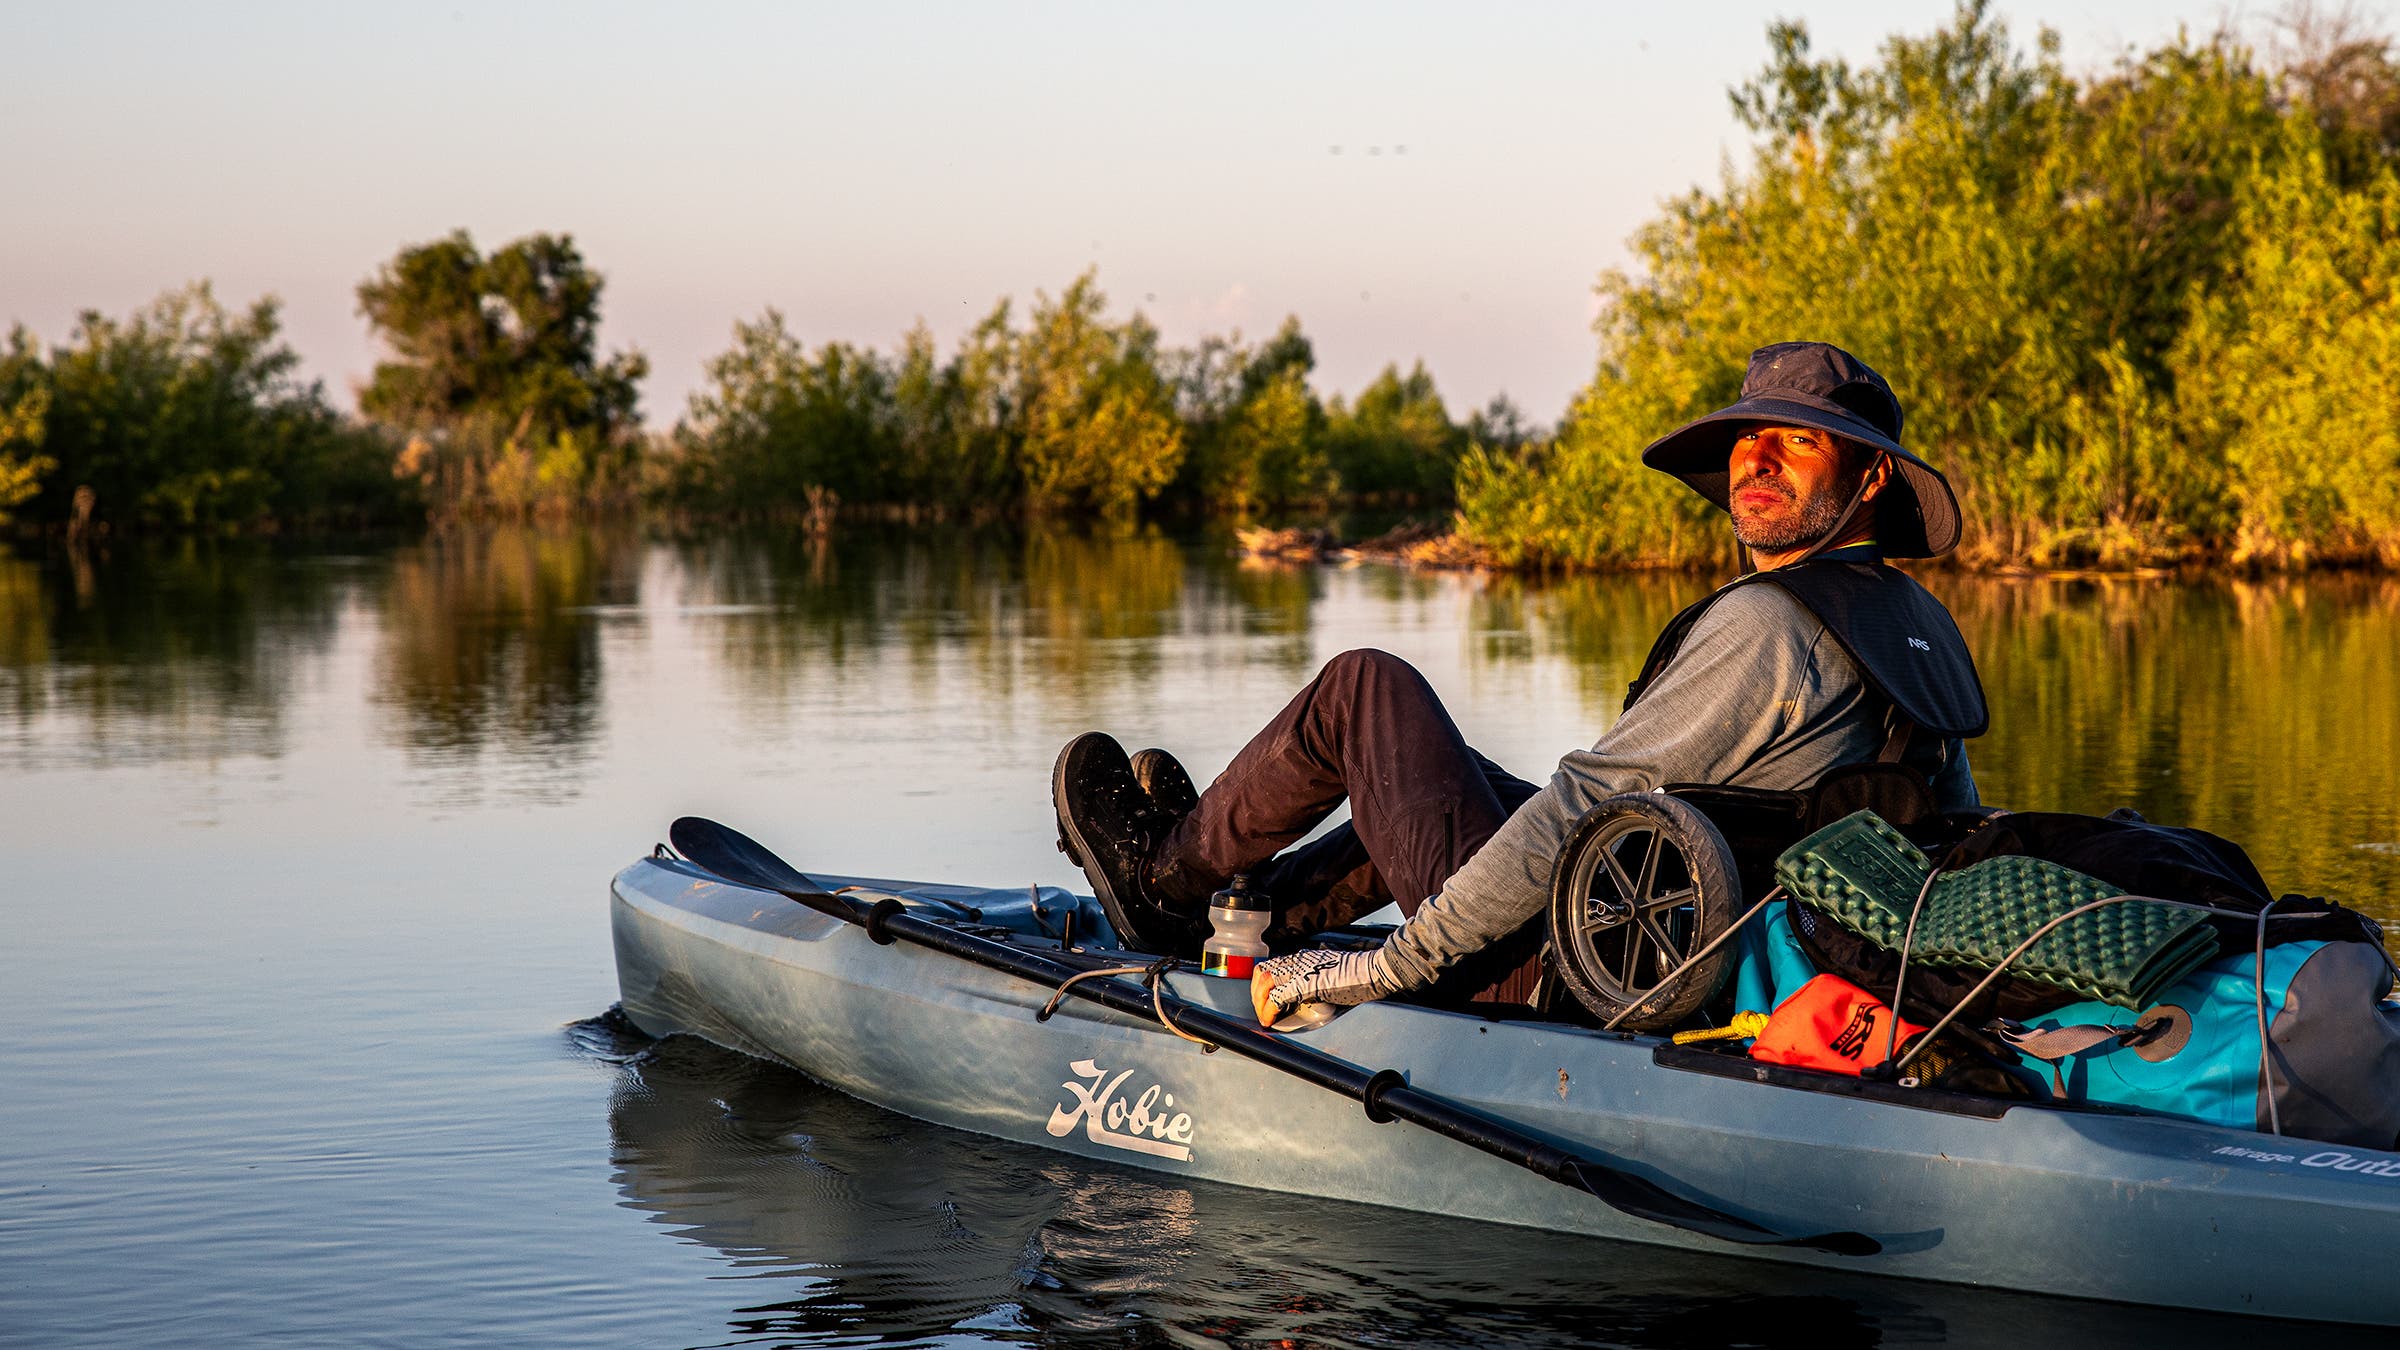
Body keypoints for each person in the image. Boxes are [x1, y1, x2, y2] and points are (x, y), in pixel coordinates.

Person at [1052, 341, 1986, 1028]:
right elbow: (1945, 839)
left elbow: (1587, 799)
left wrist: (1390, 971)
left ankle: (1162, 877)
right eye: (1749, 437)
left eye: (1799, 442)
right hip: (1686, 945)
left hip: (1579, 968)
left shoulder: (1769, 624)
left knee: (1367, 693)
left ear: (1869, 479)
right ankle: (1244, 907)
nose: (1756, 459)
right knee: (1448, 774)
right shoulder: (1917, 633)